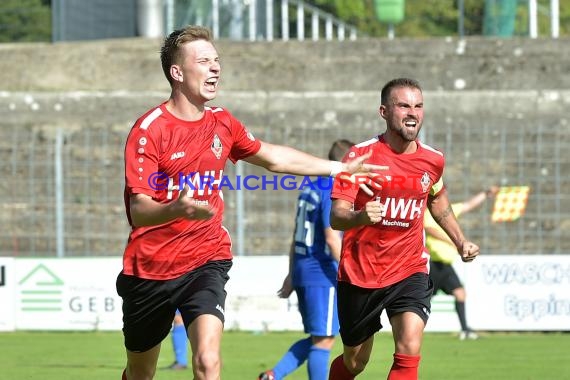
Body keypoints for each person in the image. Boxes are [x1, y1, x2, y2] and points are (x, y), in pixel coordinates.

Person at [118, 25, 382, 380]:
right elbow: (139, 210)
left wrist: (339, 168)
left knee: (208, 361)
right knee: (141, 373)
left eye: (216, 60)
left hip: (205, 259)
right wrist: (176, 208)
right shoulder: (150, 129)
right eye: (203, 61)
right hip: (150, 268)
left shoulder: (222, 123)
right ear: (176, 73)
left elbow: (272, 157)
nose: (215, 68)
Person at [327, 77, 480, 380]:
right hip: (361, 274)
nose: (413, 112)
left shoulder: (433, 160)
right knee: (355, 362)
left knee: (409, 346)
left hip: (409, 269)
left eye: (418, 106)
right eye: (404, 105)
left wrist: (460, 240)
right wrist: (359, 217)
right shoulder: (360, 157)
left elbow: (437, 199)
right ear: (384, 112)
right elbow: (337, 217)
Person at [258, 139, 354, 380]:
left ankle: (272, 376)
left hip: (303, 270)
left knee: (317, 337)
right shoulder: (331, 189)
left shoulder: (311, 187)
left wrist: (292, 274)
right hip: (321, 273)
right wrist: (350, 270)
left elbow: (295, 237)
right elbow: (331, 238)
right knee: (324, 341)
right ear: (345, 163)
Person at [425, 185, 499, 341]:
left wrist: (485, 193)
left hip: (445, 266)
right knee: (421, 301)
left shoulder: (447, 212)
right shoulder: (425, 213)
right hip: (432, 265)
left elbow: (468, 205)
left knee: (460, 294)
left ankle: (465, 329)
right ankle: (409, 330)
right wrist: (454, 241)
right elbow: (430, 229)